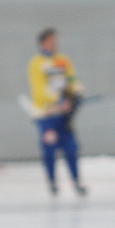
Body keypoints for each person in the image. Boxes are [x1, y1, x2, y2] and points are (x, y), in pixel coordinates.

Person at [27, 28, 87, 196]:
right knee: (49, 149)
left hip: (64, 115)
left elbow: (72, 79)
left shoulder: (63, 60)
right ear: (43, 42)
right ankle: (52, 182)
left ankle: (76, 181)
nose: (55, 43)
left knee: (71, 148)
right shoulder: (36, 63)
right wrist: (59, 100)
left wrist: (76, 93)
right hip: (46, 115)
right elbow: (39, 90)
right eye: (52, 40)